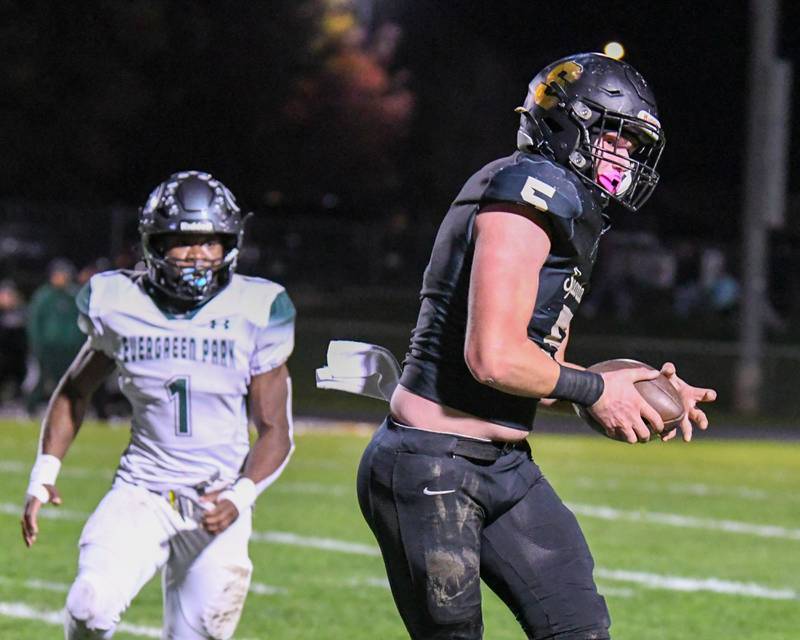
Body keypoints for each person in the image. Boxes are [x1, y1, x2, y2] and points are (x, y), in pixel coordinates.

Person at [355, 53, 717, 639]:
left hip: (504, 466)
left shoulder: (574, 207)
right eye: (614, 135)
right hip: (430, 463)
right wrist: (596, 389)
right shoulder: (528, 189)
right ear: (565, 122)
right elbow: (491, 357)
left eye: (633, 143)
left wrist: (636, 386)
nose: (624, 155)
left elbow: (537, 372)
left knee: (578, 626)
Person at [21, 171, 296, 640]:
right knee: (89, 607)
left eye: (211, 242)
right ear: (154, 244)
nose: (197, 255)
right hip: (142, 492)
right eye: (182, 242)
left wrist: (239, 497)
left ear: (230, 244)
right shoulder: (118, 302)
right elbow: (73, 390)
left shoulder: (258, 308)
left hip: (218, 496)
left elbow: (276, 430)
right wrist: (44, 473)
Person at [24, 258, 85, 415]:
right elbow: (34, 322)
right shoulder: (44, 296)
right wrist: (36, 344)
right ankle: (30, 409)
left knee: (71, 383)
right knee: (40, 380)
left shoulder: (76, 295)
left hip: (71, 348)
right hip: (48, 348)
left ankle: (71, 411)